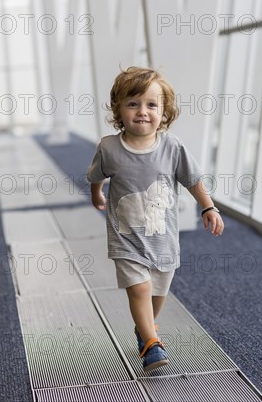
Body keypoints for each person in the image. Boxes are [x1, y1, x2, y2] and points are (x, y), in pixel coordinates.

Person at [87, 66, 224, 372]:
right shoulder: (109, 147)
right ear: (118, 110)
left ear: (164, 113)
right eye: (132, 104)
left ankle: (145, 328)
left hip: (162, 237)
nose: (142, 111)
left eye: (151, 105)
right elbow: (96, 175)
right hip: (126, 237)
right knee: (139, 288)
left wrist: (208, 207)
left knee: (158, 291)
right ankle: (151, 343)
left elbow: (192, 179)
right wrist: (97, 194)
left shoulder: (172, 146)